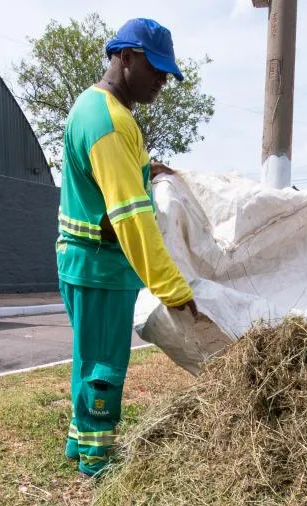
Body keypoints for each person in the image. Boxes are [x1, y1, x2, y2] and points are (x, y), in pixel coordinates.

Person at [56, 18, 197, 478]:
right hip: (100, 267)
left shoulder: (96, 108)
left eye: (168, 74)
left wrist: (150, 167)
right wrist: (174, 290)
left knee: (87, 357)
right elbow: (133, 221)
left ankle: (80, 444)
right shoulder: (111, 124)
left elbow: (111, 176)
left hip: (85, 261)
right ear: (126, 57)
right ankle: (97, 460)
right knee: (103, 366)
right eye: (156, 69)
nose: (162, 81)